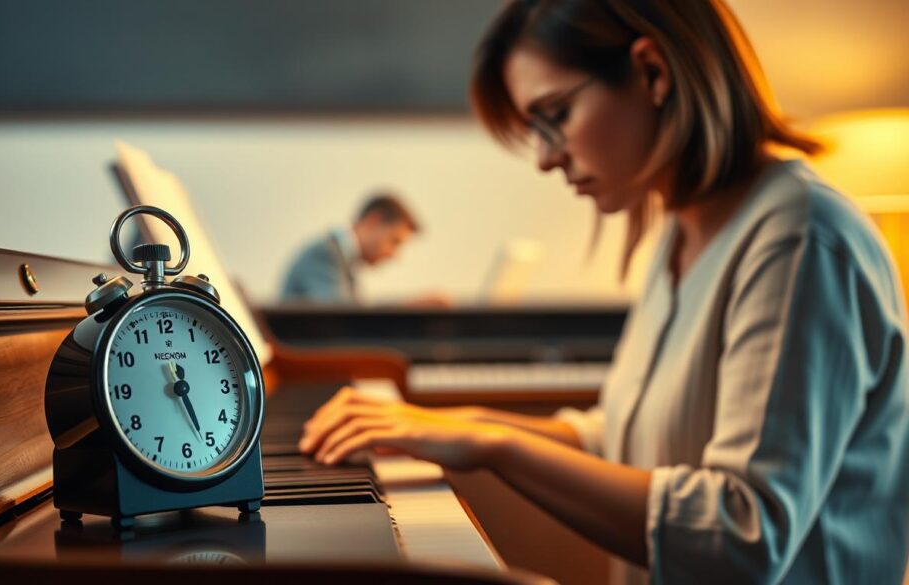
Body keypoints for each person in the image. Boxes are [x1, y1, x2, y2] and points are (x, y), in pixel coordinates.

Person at [299, 1, 909, 583]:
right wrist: (458, 423)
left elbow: (743, 536)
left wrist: (495, 443)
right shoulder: (682, 231)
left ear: (651, 71)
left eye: (555, 115)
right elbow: (624, 437)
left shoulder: (800, 239)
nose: (545, 158)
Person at [279, 192, 421, 303]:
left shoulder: (342, 260)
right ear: (373, 221)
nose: (394, 255)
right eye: (394, 241)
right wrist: (409, 307)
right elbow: (345, 317)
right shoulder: (324, 254)